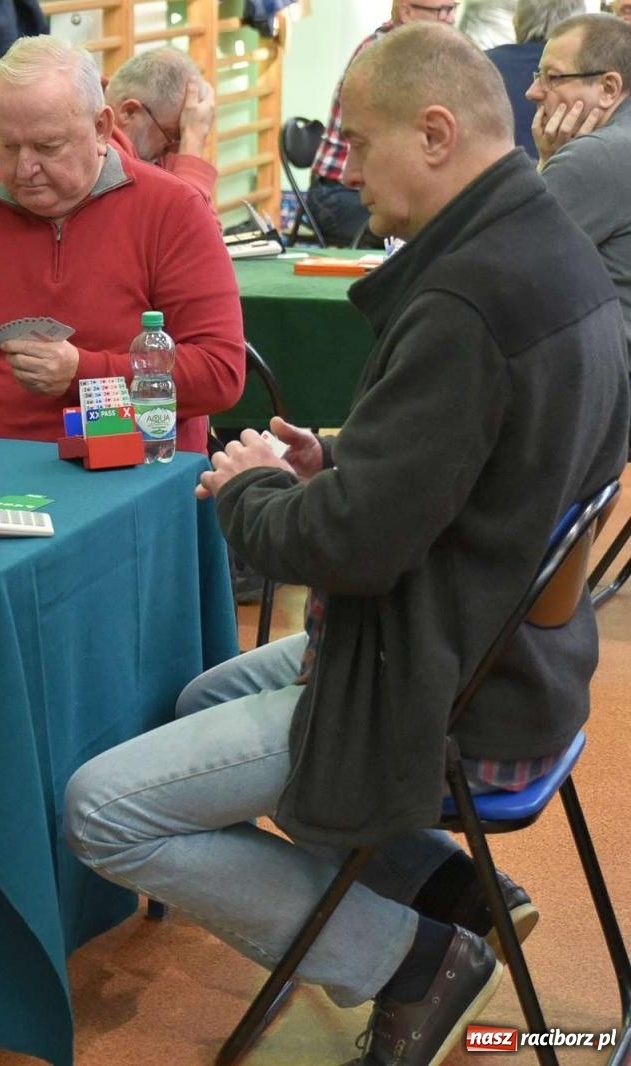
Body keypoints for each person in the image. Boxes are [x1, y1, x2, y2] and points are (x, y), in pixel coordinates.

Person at [64, 23, 629, 1066]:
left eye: (358, 147)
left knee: (100, 810)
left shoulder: (466, 301)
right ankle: (447, 887)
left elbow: (351, 549)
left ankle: (411, 959)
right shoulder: (553, 253)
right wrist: (347, 460)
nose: (344, 171)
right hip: (507, 653)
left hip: (438, 683)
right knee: (198, 701)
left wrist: (255, 490)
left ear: (434, 132)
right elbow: (469, 475)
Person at [0, 35, 243, 455]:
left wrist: (84, 373)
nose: (25, 168)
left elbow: (220, 373)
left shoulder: (174, 211)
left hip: (128, 471)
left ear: (101, 129)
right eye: (7, 145)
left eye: (47, 146)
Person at [306, 1, 464, 247]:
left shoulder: (413, 53)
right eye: (442, 10)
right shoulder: (385, 60)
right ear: (406, 11)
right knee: (439, 234)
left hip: (369, 189)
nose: (451, 19)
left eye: (454, 8)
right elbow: (406, 148)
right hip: (339, 195)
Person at [529, 11, 631, 369]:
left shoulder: (596, 154)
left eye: (553, 78)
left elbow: (507, 259)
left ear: (608, 89)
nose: (533, 92)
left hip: (607, 387)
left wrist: (546, 162)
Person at [105, 46, 219, 206]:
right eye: (172, 136)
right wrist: (193, 142)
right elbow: (185, 226)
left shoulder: (143, 147)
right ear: (129, 112)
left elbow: (208, 229)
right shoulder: (105, 162)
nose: (175, 151)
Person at [487, 0, 586, 157]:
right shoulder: (589, 73)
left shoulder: (480, 65)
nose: (532, 92)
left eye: (553, 77)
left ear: (516, 20)